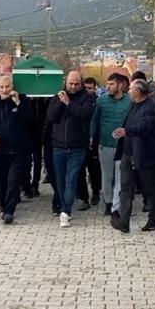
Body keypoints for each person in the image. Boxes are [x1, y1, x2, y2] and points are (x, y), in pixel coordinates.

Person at [0, 76, 36, 224]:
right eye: (2, 87)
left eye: (7, 87)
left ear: (12, 86)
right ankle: (3, 205)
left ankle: (9, 211)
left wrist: (18, 103)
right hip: (0, 150)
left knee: (13, 180)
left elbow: (30, 121)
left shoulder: (22, 100)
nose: (5, 90)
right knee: (1, 180)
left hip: (18, 150)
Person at [46, 71, 96, 229]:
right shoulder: (57, 97)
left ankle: (66, 212)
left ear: (81, 84)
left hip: (77, 146)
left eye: (76, 84)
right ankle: (63, 206)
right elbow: (51, 117)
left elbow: (85, 115)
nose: (73, 87)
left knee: (71, 179)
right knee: (60, 181)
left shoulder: (88, 98)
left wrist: (69, 103)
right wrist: (61, 102)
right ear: (65, 82)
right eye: (70, 84)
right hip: (58, 146)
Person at [111, 79, 155, 233]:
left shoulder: (150, 107)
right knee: (125, 188)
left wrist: (127, 131)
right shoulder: (133, 104)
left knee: (151, 189)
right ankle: (124, 222)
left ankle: (153, 220)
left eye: (131, 88)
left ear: (138, 91)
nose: (128, 91)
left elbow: (145, 127)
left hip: (145, 155)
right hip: (128, 153)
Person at [90, 72, 131, 216]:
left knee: (121, 177)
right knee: (107, 176)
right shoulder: (101, 101)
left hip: (123, 146)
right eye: (107, 83)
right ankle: (108, 202)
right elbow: (95, 120)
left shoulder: (130, 101)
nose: (108, 86)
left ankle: (118, 204)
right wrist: (91, 137)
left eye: (112, 84)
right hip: (105, 144)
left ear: (121, 85)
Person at [77, 76, 102, 209]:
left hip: (94, 141)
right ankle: (83, 197)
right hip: (80, 140)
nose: (87, 91)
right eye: (85, 88)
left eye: (90, 88)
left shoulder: (98, 102)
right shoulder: (78, 101)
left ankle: (96, 192)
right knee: (80, 170)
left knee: (94, 169)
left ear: (94, 88)